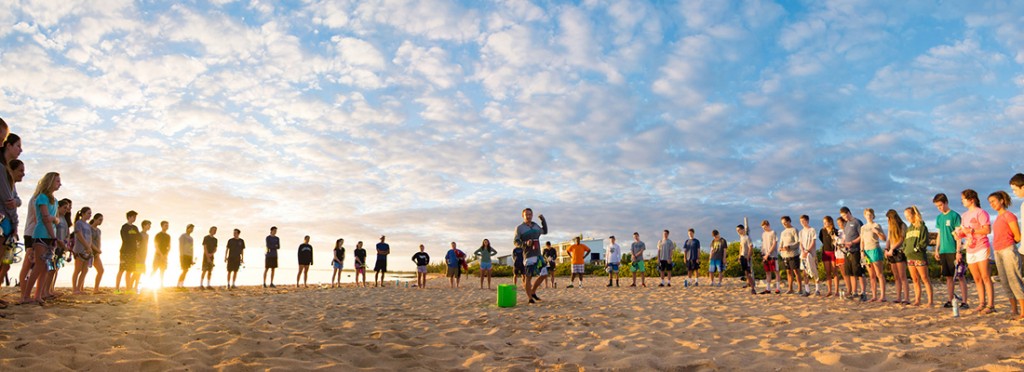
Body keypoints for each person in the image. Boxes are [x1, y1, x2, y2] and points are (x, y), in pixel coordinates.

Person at [20, 172, 60, 304]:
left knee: (46, 267)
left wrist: (54, 219)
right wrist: (54, 234)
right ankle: (26, 296)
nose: (59, 184)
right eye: (57, 181)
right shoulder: (41, 197)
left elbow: (54, 219)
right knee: (38, 265)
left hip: (50, 235)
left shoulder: (55, 200)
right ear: (50, 182)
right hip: (41, 234)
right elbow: (45, 218)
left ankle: (38, 295)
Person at [959, 189, 994, 314]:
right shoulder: (964, 215)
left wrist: (972, 231)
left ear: (971, 199)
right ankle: (981, 303)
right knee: (977, 278)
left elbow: (987, 230)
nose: (962, 201)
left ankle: (990, 304)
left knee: (985, 276)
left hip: (981, 246)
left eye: (964, 199)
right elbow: (964, 232)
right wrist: (959, 233)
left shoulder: (981, 213)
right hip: (970, 247)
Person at [933, 193, 968, 309]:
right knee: (948, 277)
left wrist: (958, 251)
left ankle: (964, 301)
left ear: (946, 202)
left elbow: (959, 234)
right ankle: (950, 299)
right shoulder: (939, 218)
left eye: (941, 205)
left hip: (953, 250)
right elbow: (939, 234)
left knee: (960, 276)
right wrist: (936, 249)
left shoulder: (954, 216)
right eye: (937, 206)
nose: (939, 208)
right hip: (943, 250)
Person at [0, 134, 23, 304]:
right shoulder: (2, 170)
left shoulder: (7, 173)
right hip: (4, 222)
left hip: (10, 226)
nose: (21, 150)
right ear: (8, 145)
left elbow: (16, 200)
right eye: (18, 146)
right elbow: (9, 203)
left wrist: (15, 202)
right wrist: (14, 224)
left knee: (5, 263)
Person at [513, 208, 548, 303]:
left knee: (544, 274)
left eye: (530, 214)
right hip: (528, 255)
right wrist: (525, 243)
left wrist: (543, 220)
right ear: (523, 216)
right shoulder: (519, 228)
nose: (528, 216)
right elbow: (516, 242)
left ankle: (533, 292)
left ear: (532, 215)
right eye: (526, 215)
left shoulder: (535, 225)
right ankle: (529, 298)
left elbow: (545, 231)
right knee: (528, 276)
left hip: (538, 254)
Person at [903, 207, 932, 307]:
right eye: (905, 216)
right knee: (915, 279)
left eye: (908, 216)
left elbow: (924, 241)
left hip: (919, 256)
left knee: (925, 278)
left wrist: (917, 248)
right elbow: (906, 242)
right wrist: (905, 250)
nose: (907, 218)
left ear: (914, 215)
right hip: (909, 257)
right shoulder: (909, 228)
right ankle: (917, 300)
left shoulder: (922, 227)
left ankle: (930, 301)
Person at [840, 207, 867, 300]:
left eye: (844, 215)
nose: (844, 217)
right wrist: (843, 243)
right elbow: (845, 236)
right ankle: (854, 292)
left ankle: (863, 293)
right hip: (848, 251)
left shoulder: (857, 222)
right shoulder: (846, 224)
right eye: (842, 216)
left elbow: (862, 236)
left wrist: (852, 242)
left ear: (848, 213)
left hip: (857, 250)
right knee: (850, 272)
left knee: (859, 272)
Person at [861, 209, 887, 302]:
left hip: (875, 249)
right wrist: (862, 252)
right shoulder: (863, 227)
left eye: (870, 214)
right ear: (864, 216)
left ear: (873, 215)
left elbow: (884, 238)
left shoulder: (876, 225)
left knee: (879, 274)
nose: (868, 216)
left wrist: (877, 232)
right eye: (867, 214)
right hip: (866, 252)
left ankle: (883, 296)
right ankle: (874, 296)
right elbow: (862, 241)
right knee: (871, 275)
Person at [885, 210, 909, 304]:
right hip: (891, 253)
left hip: (899, 252)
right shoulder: (890, 227)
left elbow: (901, 239)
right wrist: (887, 249)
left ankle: (906, 298)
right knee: (896, 276)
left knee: (902, 276)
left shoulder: (902, 225)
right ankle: (898, 297)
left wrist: (893, 248)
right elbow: (888, 239)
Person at [115, 210, 139, 293]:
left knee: (129, 270)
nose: (135, 218)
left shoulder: (135, 228)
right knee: (121, 270)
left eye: (135, 217)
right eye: (133, 217)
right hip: (125, 251)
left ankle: (128, 289)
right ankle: (117, 289)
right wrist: (133, 240)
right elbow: (124, 238)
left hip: (133, 252)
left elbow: (139, 238)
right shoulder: (124, 227)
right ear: (129, 217)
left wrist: (136, 244)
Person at [71, 207, 94, 295]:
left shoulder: (88, 225)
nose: (90, 215)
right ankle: (74, 289)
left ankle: (79, 288)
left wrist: (89, 247)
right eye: (88, 213)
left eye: (90, 213)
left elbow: (90, 237)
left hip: (87, 249)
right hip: (79, 249)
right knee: (78, 269)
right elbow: (79, 236)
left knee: (85, 270)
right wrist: (86, 246)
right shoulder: (78, 223)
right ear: (83, 213)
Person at [778, 216, 803, 295]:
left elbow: (797, 242)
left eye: (785, 222)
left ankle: (800, 289)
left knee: (796, 271)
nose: (784, 224)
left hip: (794, 254)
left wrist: (789, 247)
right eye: (782, 223)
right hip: (785, 255)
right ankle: (790, 288)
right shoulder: (783, 232)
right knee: (788, 271)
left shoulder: (794, 230)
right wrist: (780, 248)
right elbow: (781, 243)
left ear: (789, 221)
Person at [798, 215, 819, 296]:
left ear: (807, 221)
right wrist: (803, 251)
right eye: (801, 221)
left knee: (814, 271)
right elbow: (800, 243)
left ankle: (817, 289)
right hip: (803, 255)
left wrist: (807, 250)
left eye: (803, 221)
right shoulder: (801, 232)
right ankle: (807, 290)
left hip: (811, 254)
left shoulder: (812, 230)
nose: (802, 223)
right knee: (804, 272)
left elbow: (813, 242)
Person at [820, 216, 839, 297]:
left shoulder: (835, 230)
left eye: (826, 222)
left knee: (834, 272)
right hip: (826, 252)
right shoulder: (822, 231)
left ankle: (837, 291)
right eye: (823, 222)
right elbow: (822, 240)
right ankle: (829, 290)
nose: (824, 223)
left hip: (834, 253)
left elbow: (837, 241)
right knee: (828, 272)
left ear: (830, 222)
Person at [760, 220, 779, 294]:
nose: (764, 229)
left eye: (765, 227)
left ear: (768, 225)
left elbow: (774, 244)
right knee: (767, 272)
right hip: (765, 255)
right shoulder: (763, 234)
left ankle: (777, 288)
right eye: (763, 228)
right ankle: (768, 288)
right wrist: (763, 254)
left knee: (776, 271)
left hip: (773, 255)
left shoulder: (773, 232)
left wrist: (768, 253)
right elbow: (763, 244)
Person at [132, 219, 151, 291]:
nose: (149, 226)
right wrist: (137, 255)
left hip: (144, 256)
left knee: (139, 272)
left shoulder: (147, 235)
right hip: (138, 255)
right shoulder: (139, 234)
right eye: (148, 225)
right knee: (136, 272)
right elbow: (136, 245)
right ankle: (130, 286)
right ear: (144, 225)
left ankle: (135, 287)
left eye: (150, 225)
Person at [736, 225, 755, 294]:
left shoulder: (747, 237)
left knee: (748, 273)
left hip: (746, 256)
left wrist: (748, 256)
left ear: (743, 229)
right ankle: (748, 283)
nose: (738, 232)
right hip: (742, 256)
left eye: (739, 230)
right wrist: (739, 256)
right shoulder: (741, 237)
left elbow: (751, 247)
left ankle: (753, 288)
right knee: (746, 273)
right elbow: (740, 247)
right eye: (737, 231)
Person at [152, 221, 171, 288]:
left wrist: (166, 254)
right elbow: (156, 246)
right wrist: (161, 254)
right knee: (155, 269)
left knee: (162, 270)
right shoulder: (158, 235)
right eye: (165, 225)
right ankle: (149, 283)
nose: (167, 226)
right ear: (162, 226)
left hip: (165, 255)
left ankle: (161, 284)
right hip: (158, 255)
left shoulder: (168, 236)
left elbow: (169, 246)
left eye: (167, 225)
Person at [89, 212, 104, 294]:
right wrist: (96, 250)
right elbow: (89, 242)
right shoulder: (89, 228)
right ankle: (79, 288)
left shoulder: (98, 230)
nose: (101, 222)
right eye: (99, 220)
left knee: (101, 270)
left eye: (102, 220)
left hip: (96, 253)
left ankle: (96, 289)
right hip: (89, 251)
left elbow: (99, 241)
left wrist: (98, 250)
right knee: (83, 270)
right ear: (95, 219)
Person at [177, 224, 194, 288]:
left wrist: (191, 258)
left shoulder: (191, 238)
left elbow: (192, 248)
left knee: (186, 270)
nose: (192, 230)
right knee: (184, 270)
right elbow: (180, 246)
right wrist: (181, 256)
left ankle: (182, 284)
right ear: (187, 228)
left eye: (192, 229)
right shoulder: (183, 236)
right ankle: (179, 284)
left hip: (189, 256)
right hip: (184, 255)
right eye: (191, 228)